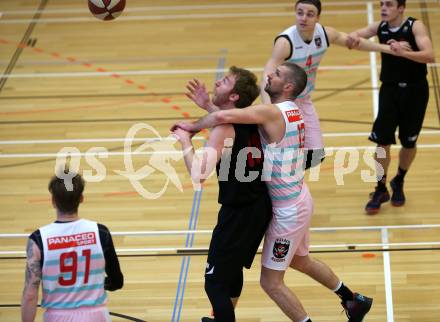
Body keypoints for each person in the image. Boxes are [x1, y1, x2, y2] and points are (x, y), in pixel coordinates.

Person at [172, 61, 373, 322]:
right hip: (298, 197)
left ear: (287, 86)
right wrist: (209, 107)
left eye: (276, 74)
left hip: (287, 209)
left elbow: (224, 119)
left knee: (270, 282)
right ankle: (352, 299)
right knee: (301, 261)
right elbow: (233, 121)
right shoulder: (288, 111)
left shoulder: (271, 112)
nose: (269, 74)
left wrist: (190, 130)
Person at [172, 67, 272, 322]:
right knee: (231, 271)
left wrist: (185, 139)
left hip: (238, 214)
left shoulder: (223, 130)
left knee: (214, 283)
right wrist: (207, 105)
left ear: (234, 97)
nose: (217, 82)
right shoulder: (248, 117)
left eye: (225, 81)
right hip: (258, 206)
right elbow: (224, 119)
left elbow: (198, 174)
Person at [261, 0, 397, 170]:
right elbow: (267, 74)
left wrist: (388, 49)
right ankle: (278, 182)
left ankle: (286, 176)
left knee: (316, 154)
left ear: (318, 18)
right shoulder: (285, 42)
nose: (303, 18)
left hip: (304, 99)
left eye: (309, 14)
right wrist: (268, 109)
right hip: (284, 105)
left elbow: (354, 42)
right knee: (281, 152)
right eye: (299, 13)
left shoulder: (325, 34)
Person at [346, 0, 435, 214]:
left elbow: (430, 55)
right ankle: (380, 187)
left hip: (415, 91)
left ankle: (399, 180)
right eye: (381, 5)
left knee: (409, 142)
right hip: (390, 90)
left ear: (401, 8)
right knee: (382, 141)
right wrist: (357, 38)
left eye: (389, 5)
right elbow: (351, 38)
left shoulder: (415, 26)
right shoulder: (379, 27)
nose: (384, 8)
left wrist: (403, 52)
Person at [21, 172, 123, 322]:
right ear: (81, 199)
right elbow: (117, 282)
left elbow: (30, 294)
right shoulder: (101, 233)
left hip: (57, 316)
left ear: (53, 201)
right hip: (97, 316)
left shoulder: (38, 240)